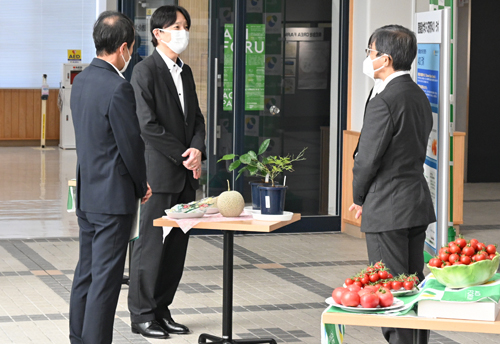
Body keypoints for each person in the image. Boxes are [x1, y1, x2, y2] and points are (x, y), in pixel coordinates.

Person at [349, 25, 436, 344]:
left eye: (370, 52)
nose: (367, 57)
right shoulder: (418, 96)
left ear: (384, 59)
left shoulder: (384, 101)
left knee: (391, 291)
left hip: (387, 208)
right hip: (415, 203)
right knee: (413, 287)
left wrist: (359, 197)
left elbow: (367, 160)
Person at [69, 11, 151, 344]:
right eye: (131, 48)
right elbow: (130, 145)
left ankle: (78, 338)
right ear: (123, 47)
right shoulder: (118, 87)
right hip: (112, 199)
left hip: (87, 193)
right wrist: (140, 185)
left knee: (86, 275)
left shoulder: (83, 80)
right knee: (106, 280)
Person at [127, 5, 206, 339]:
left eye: (185, 25)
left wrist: (198, 149)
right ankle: (142, 315)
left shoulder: (185, 71)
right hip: (158, 176)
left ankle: (161, 309)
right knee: (150, 247)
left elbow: (197, 119)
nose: (183, 31)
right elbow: (147, 125)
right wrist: (182, 155)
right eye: (176, 26)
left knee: (175, 249)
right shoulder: (144, 71)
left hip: (185, 178)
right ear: (158, 33)